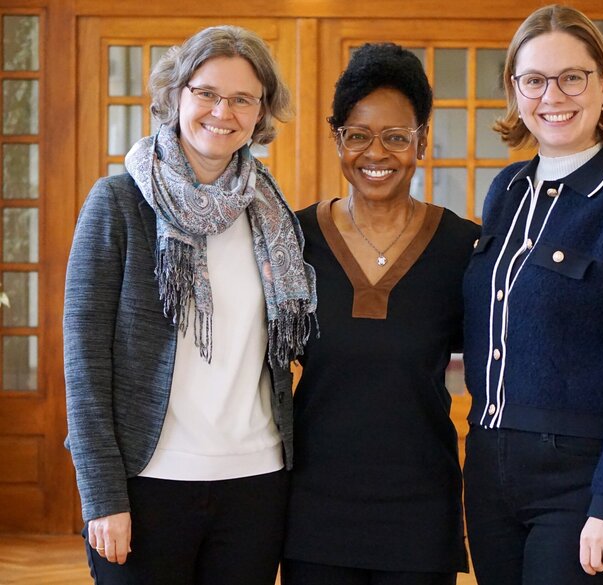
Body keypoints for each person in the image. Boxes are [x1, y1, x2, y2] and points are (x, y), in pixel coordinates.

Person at [63, 25, 316, 585]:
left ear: (260, 113)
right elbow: (84, 365)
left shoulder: (272, 215)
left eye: (243, 98)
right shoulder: (117, 203)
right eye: (206, 92)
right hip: (146, 483)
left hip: (256, 483)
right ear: (176, 95)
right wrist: (102, 496)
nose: (222, 111)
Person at [462, 5, 603, 585]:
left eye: (572, 77)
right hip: (489, 471)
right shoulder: (507, 190)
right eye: (534, 80)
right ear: (515, 90)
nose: (553, 96)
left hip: (582, 483)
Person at [282, 43, 479, 585]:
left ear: (421, 141)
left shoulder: (462, 247)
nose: (376, 153)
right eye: (358, 135)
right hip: (314, 509)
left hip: (420, 510)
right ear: (337, 139)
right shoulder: (293, 239)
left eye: (396, 136)